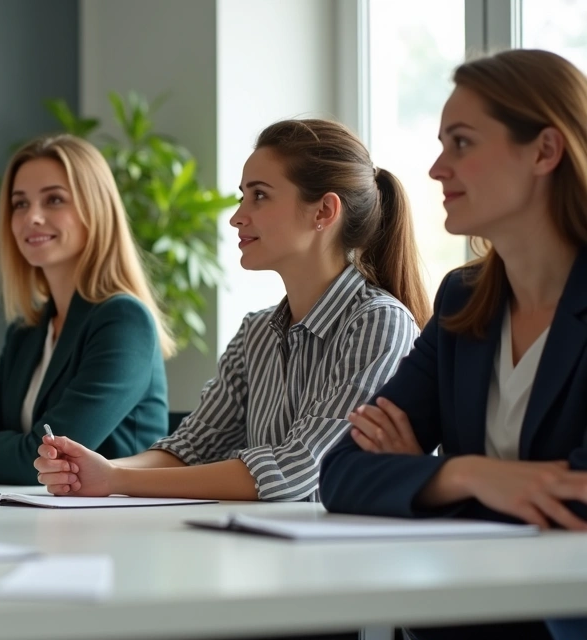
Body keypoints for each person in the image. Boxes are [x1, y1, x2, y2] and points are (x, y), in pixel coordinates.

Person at [319, 49, 587, 640]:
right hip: (464, 619)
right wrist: (463, 474)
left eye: (461, 143)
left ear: (545, 150)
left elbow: (575, 505)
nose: (438, 169)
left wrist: (418, 475)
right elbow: (339, 472)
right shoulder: (463, 300)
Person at [35, 119, 428, 503]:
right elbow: (191, 448)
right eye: (243, 196)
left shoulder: (379, 322)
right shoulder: (256, 331)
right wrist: (95, 470)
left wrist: (116, 479)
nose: (237, 216)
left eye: (259, 195)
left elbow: (298, 471)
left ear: (324, 211)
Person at [0, 134, 171, 485]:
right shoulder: (27, 330)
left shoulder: (123, 320)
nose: (32, 218)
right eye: (20, 204)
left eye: (54, 200)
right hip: (36, 516)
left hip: (115, 522)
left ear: (95, 210)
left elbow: (40, 458)